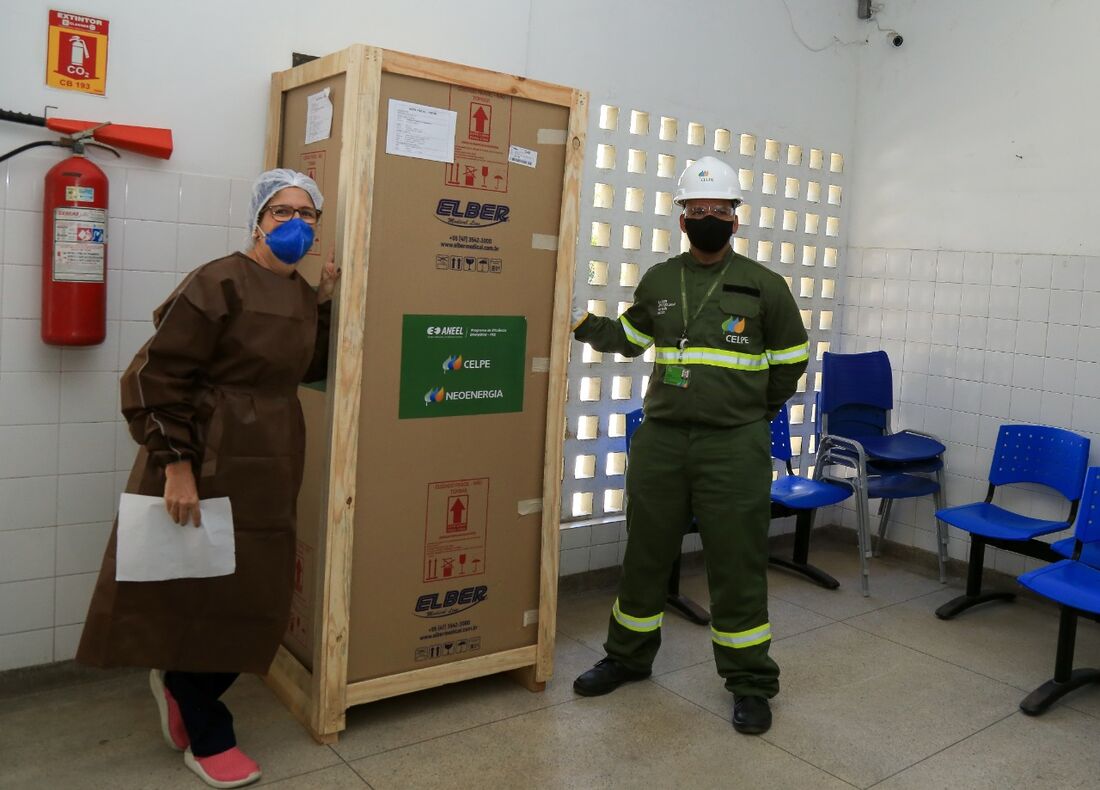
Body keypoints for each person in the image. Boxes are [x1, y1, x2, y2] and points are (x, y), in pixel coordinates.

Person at [76, 168, 340, 787]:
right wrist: (177, 466)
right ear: (257, 219)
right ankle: (205, 723)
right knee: (195, 586)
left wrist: (326, 304)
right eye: (282, 212)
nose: (297, 224)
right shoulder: (216, 281)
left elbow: (309, 366)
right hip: (204, 452)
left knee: (257, 590)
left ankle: (178, 683)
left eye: (308, 214)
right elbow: (155, 377)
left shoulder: (302, 295)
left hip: (273, 457)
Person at [570, 156, 808, 735]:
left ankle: (750, 682)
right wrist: (577, 321)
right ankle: (627, 658)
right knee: (647, 553)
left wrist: (755, 415)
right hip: (664, 441)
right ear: (682, 219)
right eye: (696, 209)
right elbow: (627, 339)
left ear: (735, 219)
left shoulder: (766, 287)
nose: (707, 217)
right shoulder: (658, 280)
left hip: (734, 447)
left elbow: (790, 364)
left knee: (736, 562)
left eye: (718, 210)